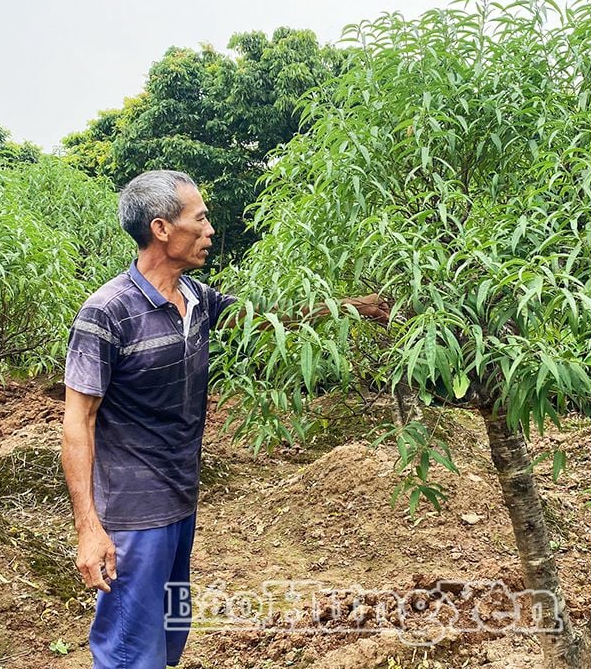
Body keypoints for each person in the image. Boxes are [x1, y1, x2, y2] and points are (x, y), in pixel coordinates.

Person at [62, 169, 387, 669]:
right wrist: (88, 527)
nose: (211, 230)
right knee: (128, 648)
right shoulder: (107, 312)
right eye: (201, 219)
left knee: (168, 634)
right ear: (162, 229)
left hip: (182, 498)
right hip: (133, 512)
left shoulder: (197, 298)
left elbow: (271, 318)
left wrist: (358, 307)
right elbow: (78, 421)